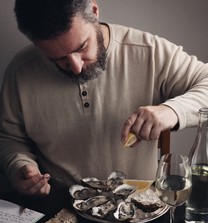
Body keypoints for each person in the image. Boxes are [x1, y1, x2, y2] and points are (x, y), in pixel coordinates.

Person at [0, 0, 208, 196]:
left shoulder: (150, 51)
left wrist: (172, 111)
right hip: (59, 207)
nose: (76, 66)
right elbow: (10, 139)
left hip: (140, 207)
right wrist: (18, 167)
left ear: (94, 11)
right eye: (57, 59)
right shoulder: (20, 71)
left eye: (81, 47)